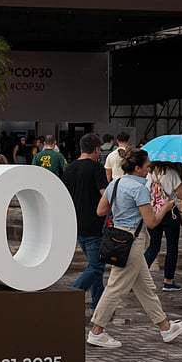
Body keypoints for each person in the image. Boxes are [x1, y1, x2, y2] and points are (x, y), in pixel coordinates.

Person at [86, 149, 182, 348]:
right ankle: (97, 331)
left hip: (118, 234)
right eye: (147, 166)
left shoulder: (115, 183)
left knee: (145, 287)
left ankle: (165, 327)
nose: (149, 169)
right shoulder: (140, 189)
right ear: (137, 168)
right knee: (116, 287)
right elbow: (151, 222)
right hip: (132, 239)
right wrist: (166, 208)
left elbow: (101, 210)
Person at [62, 133, 108, 314]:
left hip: (76, 223)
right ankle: (70, 294)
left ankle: (98, 303)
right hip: (94, 224)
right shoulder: (96, 168)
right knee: (96, 267)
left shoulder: (69, 168)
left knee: (93, 265)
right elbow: (105, 193)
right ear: (97, 149)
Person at [143, 160, 182, 292]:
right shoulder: (172, 173)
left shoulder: (148, 174)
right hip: (169, 212)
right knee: (172, 246)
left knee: (153, 245)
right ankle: (168, 280)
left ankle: (138, 277)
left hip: (153, 211)